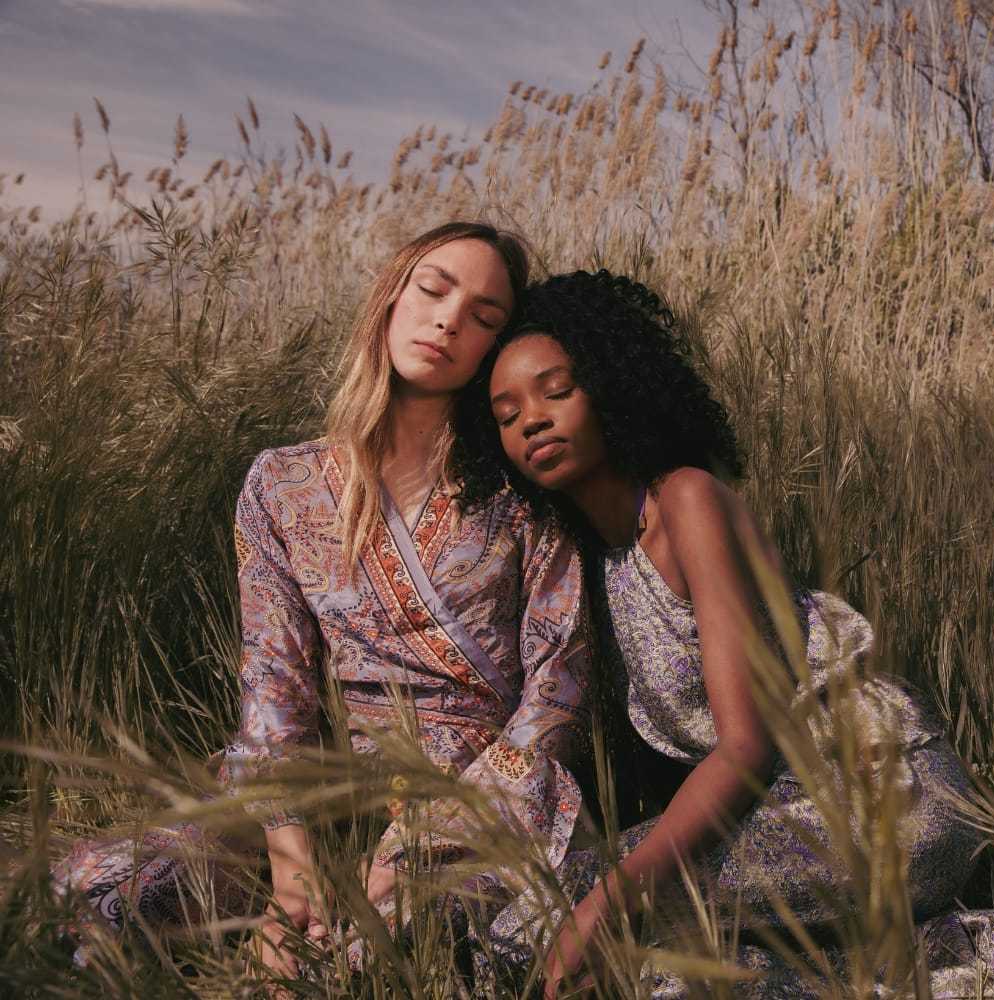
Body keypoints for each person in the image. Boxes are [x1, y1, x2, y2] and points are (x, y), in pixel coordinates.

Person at [457, 270, 994, 998]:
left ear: (609, 385)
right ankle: (914, 972)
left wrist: (612, 899)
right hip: (780, 819)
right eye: (506, 415)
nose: (532, 421)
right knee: (536, 929)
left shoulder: (688, 500)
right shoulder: (590, 564)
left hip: (885, 800)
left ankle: (989, 967)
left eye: (556, 391)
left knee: (576, 911)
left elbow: (745, 748)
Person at [52, 222, 593, 980]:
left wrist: (419, 842)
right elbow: (274, 687)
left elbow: (558, 687)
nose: (448, 321)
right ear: (391, 298)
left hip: (472, 797)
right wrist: (291, 867)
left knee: (359, 960)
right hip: (320, 791)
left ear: (493, 349)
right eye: (434, 290)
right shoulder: (282, 484)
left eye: (483, 316)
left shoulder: (522, 494)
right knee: (91, 896)